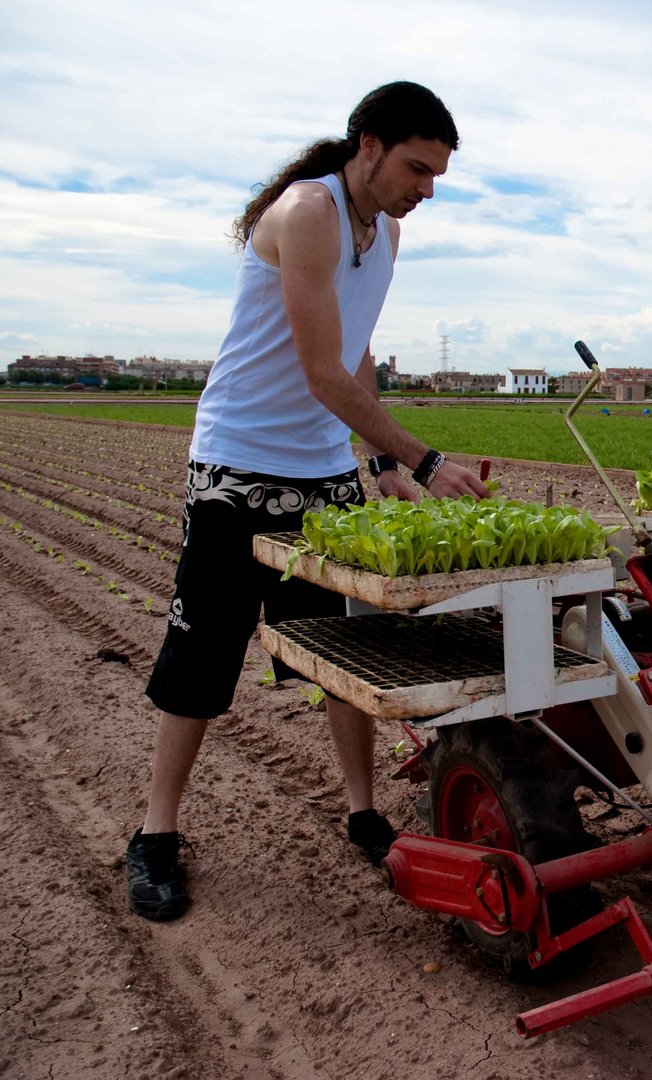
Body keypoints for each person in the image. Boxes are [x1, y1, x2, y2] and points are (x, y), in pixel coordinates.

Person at [127, 82, 490, 921]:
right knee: (203, 656)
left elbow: (355, 353)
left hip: (322, 477)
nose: (425, 190)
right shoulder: (307, 213)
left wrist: (378, 462)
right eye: (415, 167)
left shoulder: (384, 230)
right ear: (367, 145)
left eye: (436, 175)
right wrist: (424, 459)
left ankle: (362, 812)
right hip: (237, 470)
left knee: (346, 656)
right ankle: (154, 834)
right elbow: (319, 369)